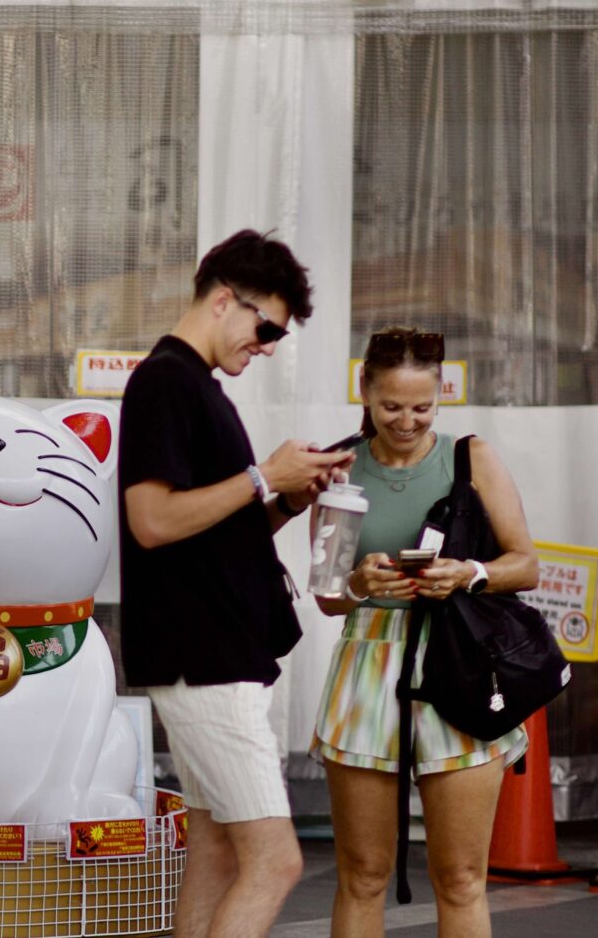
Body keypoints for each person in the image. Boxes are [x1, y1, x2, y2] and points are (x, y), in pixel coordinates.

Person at [119, 230, 353, 938]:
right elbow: (152, 520)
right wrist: (262, 479)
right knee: (277, 860)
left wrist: (287, 496)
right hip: (206, 658)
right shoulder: (167, 381)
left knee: (218, 847)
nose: (270, 345)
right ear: (226, 299)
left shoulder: (195, 387)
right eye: (267, 327)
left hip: (210, 653)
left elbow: (215, 535)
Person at [315, 329, 539, 938]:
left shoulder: (472, 457)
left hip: (458, 662)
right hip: (367, 664)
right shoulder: (337, 466)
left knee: (462, 876)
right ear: (364, 392)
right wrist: (361, 583)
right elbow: (328, 597)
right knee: (361, 873)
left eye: (423, 407)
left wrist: (469, 573)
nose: (407, 421)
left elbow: (526, 563)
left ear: (441, 396)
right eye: (391, 406)